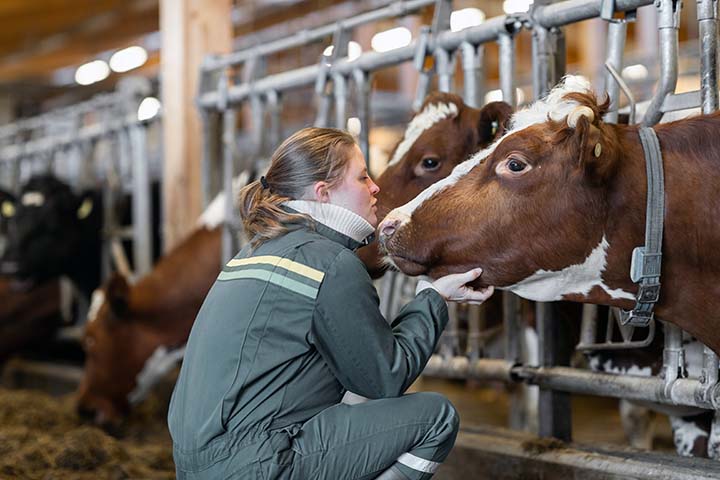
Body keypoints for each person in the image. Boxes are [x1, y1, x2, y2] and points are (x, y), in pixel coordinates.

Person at [168, 127, 494, 480]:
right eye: (362, 177)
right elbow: (384, 377)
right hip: (256, 461)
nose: (375, 188)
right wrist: (434, 298)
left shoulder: (256, 251)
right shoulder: (329, 263)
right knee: (436, 417)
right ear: (323, 193)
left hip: (197, 464)